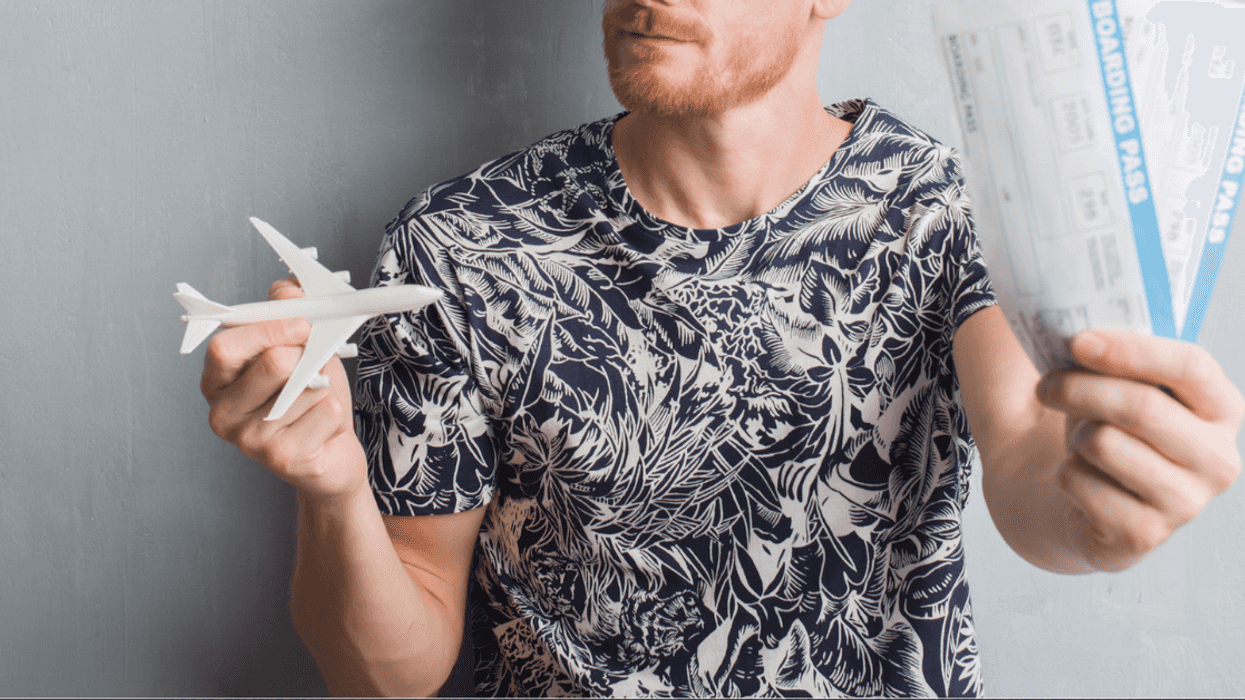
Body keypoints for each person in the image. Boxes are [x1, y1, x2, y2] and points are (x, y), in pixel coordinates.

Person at [198, 0, 1245, 696]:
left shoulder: (939, 212)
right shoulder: (457, 246)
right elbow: (390, 665)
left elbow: (1030, 471)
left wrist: (1104, 508)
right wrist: (332, 488)